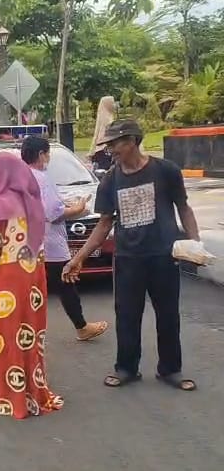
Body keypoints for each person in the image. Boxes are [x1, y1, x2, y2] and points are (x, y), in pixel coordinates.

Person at [63, 120, 200, 391]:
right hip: (128, 259)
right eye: (108, 145)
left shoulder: (166, 171)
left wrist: (195, 242)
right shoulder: (110, 180)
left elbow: (183, 207)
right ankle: (126, 368)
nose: (110, 149)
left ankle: (170, 370)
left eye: (115, 144)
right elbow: (104, 223)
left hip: (163, 256)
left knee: (168, 315)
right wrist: (78, 257)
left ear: (132, 141)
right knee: (126, 315)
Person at [0, 152, 63, 419]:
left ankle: (7, 396)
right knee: (28, 336)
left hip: (6, 281)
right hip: (33, 278)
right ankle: (30, 392)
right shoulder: (29, 201)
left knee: (1, 336)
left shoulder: (0, 206)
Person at [21, 136, 109, 341]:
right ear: (42, 154)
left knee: (34, 284)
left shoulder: (22, 176)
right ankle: (81, 327)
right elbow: (53, 212)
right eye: (48, 153)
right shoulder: (41, 178)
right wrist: (77, 208)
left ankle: (22, 328)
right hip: (50, 239)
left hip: (29, 239)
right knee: (65, 281)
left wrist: (64, 204)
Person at [89, 96, 116, 170]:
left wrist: (92, 150)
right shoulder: (108, 120)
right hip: (105, 150)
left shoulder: (102, 117)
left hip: (99, 151)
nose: (114, 105)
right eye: (112, 103)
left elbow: (96, 134)